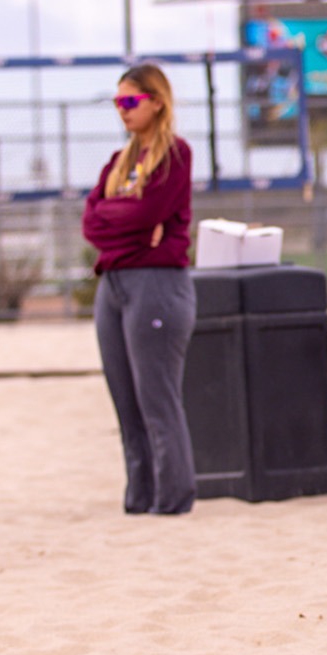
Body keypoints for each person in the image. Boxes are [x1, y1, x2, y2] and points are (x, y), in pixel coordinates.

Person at [82, 63, 197, 515]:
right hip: (113, 283)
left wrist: (131, 219)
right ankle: (140, 496)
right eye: (117, 102)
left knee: (157, 398)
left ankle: (172, 498)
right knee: (125, 400)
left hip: (157, 284)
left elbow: (147, 212)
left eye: (130, 101)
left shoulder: (175, 155)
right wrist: (128, 223)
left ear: (157, 102)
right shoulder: (119, 161)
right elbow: (91, 222)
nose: (122, 110)